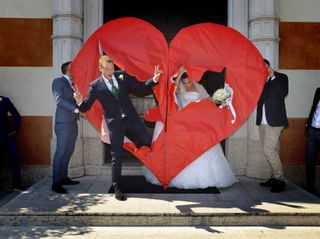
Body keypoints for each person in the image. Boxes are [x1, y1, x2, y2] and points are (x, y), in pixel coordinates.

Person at [74, 55, 162, 200]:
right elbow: (86, 106)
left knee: (146, 139)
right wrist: (79, 101)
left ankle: (140, 150)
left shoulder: (122, 76)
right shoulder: (95, 86)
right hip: (115, 125)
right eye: (107, 69)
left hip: (131, 119)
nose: (110, 71)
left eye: (112, 68)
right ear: (100, 68)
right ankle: (117, 186)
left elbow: (140, 86)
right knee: (117, 155)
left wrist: (154, 79)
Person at [143, 67, 237, 189]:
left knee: (204, 143)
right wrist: (179, 75)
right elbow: (171, 91)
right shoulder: (180, 87)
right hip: (186, 121)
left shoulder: (200, 87)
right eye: (185, 82)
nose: (187, 84)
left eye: (189, 81)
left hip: (199, 120)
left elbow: (209, 100)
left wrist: (220, 98)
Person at [256, 59, 289, 193]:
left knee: (268, 150)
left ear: (268, 66)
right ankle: (273, 177)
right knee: (270, 150)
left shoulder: (281, 78)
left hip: (275, 121)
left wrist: (272, 75)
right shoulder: (261, 81)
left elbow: (283, 93)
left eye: (264, 66)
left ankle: (280, 180)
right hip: (263, 121)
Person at [52, 61, 80, 194]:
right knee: (61, 152)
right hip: (63, 123)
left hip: (72, 122)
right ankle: (56, 183)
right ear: (68, 69)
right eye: (74, 68)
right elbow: (59, 100)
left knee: (68, 151)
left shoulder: (73, 84)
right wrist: (75, 109)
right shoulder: (58, 82)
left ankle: (63, 177)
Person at [0, 96, 22, 191]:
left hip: (6, 135)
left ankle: (17, 185)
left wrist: (15, 129)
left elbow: (17, 115)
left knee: (15, 156)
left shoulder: (4, 100)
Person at [305, 87, 320, 194]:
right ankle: (310, 187)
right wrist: (308, 123)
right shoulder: (319, 91)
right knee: (309, 160)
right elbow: (313, 107)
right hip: (312, 130)